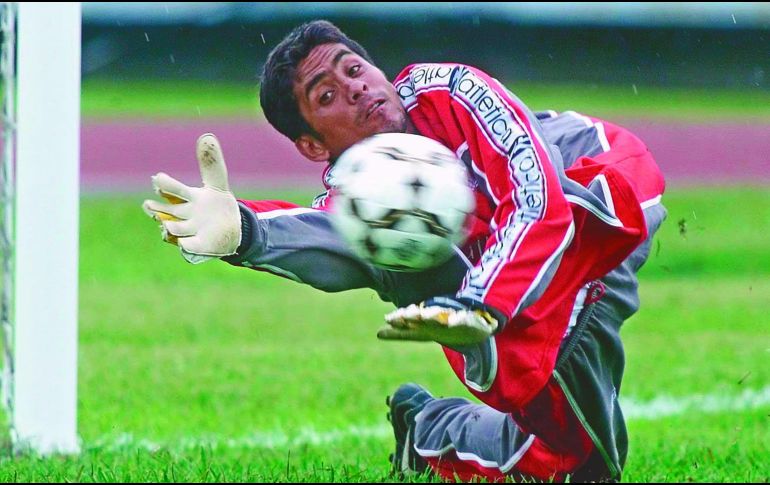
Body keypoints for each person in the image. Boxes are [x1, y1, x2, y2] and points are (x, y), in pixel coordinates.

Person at [142, 20, 666, 482]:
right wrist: (243, 230)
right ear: (313, 147)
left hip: (592, 194)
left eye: (354, 69)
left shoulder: (453, 90)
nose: (355, 89)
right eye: (327, 96)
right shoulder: (358, 207)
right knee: (580, 468)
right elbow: (325, 233)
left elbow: (540, 199)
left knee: (583, 212)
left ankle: (515, 334)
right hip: (515, 299)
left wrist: (480, 303)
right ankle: (426, 430)